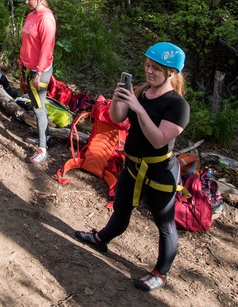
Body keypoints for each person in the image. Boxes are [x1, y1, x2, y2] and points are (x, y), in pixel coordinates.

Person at [72, 42, 190, 292]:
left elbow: (159, 139)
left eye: (156, 69)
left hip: (160, 172)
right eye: (147, 65)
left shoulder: (178, 106)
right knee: (121, 209)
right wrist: (118, 98)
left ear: (171, 73)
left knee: (164, 223)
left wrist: (138, 108)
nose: (149, 71)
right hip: (133, 165)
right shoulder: (142, 91)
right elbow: (117, 118)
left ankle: (160, 273)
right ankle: (101, 239)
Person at [19, 0, 56, 165]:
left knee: (39, 108)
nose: (26, 1)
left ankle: (42, 149)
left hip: (39, 71)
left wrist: (39, 73)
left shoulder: (46, 19)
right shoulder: (32, 15)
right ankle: (46, 137)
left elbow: (46, 49)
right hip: (28, 67)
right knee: (35, 106)